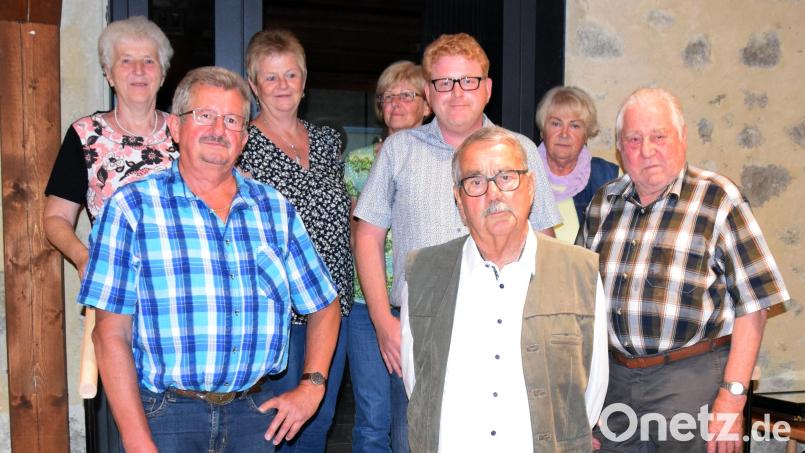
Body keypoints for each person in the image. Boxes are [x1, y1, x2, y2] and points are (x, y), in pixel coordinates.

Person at [79, 66, 341, 452]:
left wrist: (312, 387)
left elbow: (325, 304)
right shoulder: (131, 208)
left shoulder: (274, 209)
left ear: (244, 138)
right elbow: (109, 334)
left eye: (232, 120)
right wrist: (136, 438)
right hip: (165, 416)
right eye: (204, 115)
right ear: (175, 128)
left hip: (255, 414)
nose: (219, 129)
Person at [352, 35, 561, 439]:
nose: (457, 93)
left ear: (487, 88)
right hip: (420, 328)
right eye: (444, 83)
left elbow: (544, 242)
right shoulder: (398, 150)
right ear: (429, 92)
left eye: (468, 81)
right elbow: (367, 237)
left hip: (503, 327)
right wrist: (383, 321)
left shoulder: (518, 151)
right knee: (414, 439)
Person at [578, 87, 790, 452]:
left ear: (682, 136)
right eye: (634, 139)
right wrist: (585, 398)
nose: (647, 150)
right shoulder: (603, 203)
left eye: (659, 136)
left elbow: (755, 303)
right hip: (614, 384)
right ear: (619, 147)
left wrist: (733, 397)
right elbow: (579, 303)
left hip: (692, 383)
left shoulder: (719, 199)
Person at [401, 127, 608, 452]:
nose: (493, 194)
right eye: (475, 182)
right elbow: (419, 384)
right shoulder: (424, 273)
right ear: (459, 198)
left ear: (530, 186)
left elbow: (590, 390)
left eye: (506, 177)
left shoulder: (579, 272)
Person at [43, 15, 177, 449]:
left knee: (177, 409)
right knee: (127, 415)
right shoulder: (85, 134)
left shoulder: (185, 132)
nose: (138, 71)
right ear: (108, 72)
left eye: (148, 61)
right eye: (126, 61)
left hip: (181, 290)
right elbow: (55, 220)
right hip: (119, 290)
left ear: (162, 71)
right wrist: (86, 260)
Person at [237, 29, 353, 451]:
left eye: (290, 75)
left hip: (330, 310)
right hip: (275, 314)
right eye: (270, 77)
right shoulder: (241, 144)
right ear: (253, 85)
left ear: (304, 82)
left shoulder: (326, 141)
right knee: (270, 432)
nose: (282, 86)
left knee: (317, 425)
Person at [343, 60, 430, 453]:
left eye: (406, 95)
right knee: (373, 418)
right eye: (388, 96)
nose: (395, 103)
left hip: (423, 303)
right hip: (366, 304)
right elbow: (352, 234)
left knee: (413, 416)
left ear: (427, 104)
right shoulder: (359, 160)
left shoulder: (441, 160)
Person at [535, 86, 619, 243]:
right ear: (542, 130)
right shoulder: (521, 174)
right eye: (556, 123)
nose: (564, 134)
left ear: (586, 134)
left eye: (574, 126)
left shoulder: (608, 177)